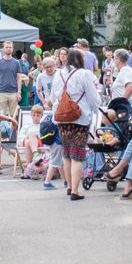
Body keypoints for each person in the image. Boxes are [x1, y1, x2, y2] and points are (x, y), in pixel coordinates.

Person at [49, 48, 101, 200]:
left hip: (62, 117)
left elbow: (53, 97)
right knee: (77, 154)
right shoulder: (83, 74)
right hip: (79, 116)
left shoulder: (58, 74)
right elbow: (93, 98)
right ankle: (75, 191)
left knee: (67, 153)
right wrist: (96, 109)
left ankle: (70, 186)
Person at [0, 41, 24, 122]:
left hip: (13, 92)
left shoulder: (16, 62)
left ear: (12, 49)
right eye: (6, 47)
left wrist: (19, 92)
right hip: (1, 92)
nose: (8, 49)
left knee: (14, 115)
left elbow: (19, 78)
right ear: (3, 48)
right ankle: (2, 133)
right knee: (2, 116)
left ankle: (13, 134)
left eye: (10, 47)